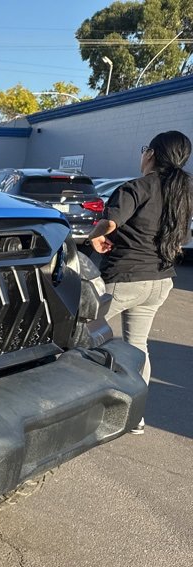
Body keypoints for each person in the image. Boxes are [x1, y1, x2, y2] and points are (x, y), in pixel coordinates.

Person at [88, 130, 192, 434]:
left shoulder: (135, 187)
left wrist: (95, 237)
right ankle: (136, 416)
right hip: (160, 280)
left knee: (80, 334)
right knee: (137, 345)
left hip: (124, 279)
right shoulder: (184, 192)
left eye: (145, 149)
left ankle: (72, 407)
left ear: (151, 154)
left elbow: (110, 222)